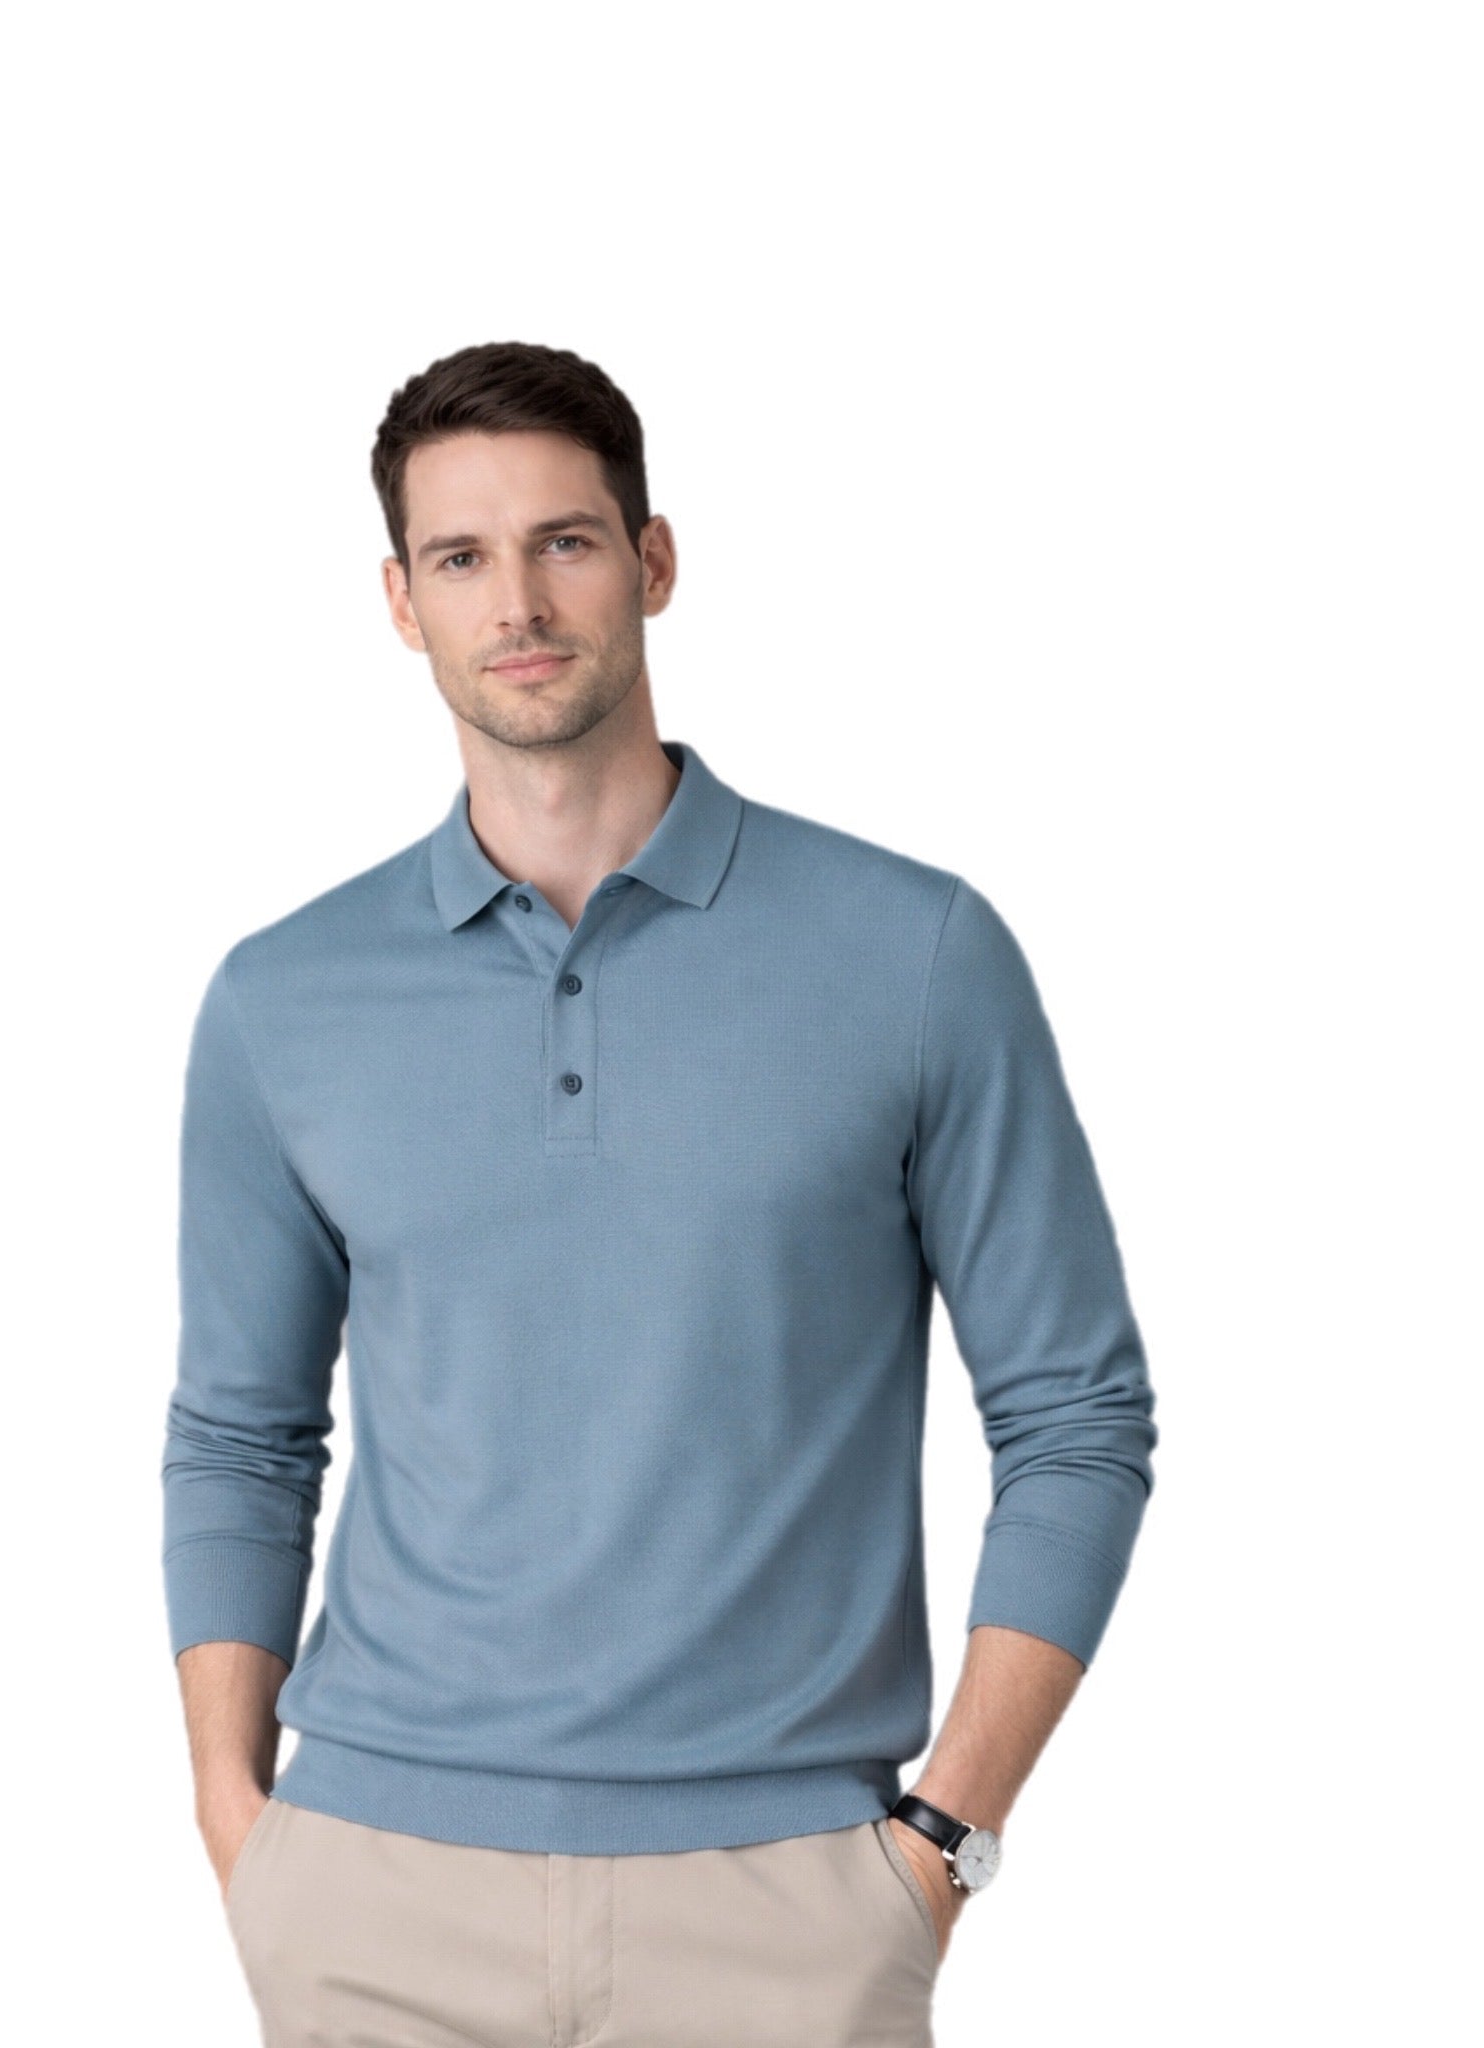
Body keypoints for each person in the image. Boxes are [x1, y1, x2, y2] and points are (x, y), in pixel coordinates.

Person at [161, 339, 1159, 2047]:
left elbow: (1076, 1416)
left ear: (654, 561)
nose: (517, 603)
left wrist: (943, 1840)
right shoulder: (283, 1000)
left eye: (564, 542)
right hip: (373, 1891)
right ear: (401, 602)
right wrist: (241, 1829)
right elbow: (241, 1439)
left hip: (786, 1905)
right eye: (461, 558)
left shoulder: (913, 953)